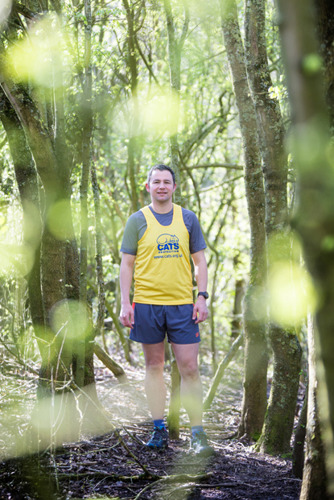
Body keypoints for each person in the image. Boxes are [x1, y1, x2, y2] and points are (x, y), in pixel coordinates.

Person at [119, 163, 214, 456]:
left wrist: (202, 297)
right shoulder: (137, 220)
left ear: (174, 187)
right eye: (156, 181)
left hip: (183, 305)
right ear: (148, 187)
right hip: (146, 304)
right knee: (153, 368)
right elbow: (127, 264)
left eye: (167, 182)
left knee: (190, 368)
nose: (161, 186)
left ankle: (197, 434)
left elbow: (200, 262)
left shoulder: (187, 219)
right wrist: (125, 302)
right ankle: (159, 430)